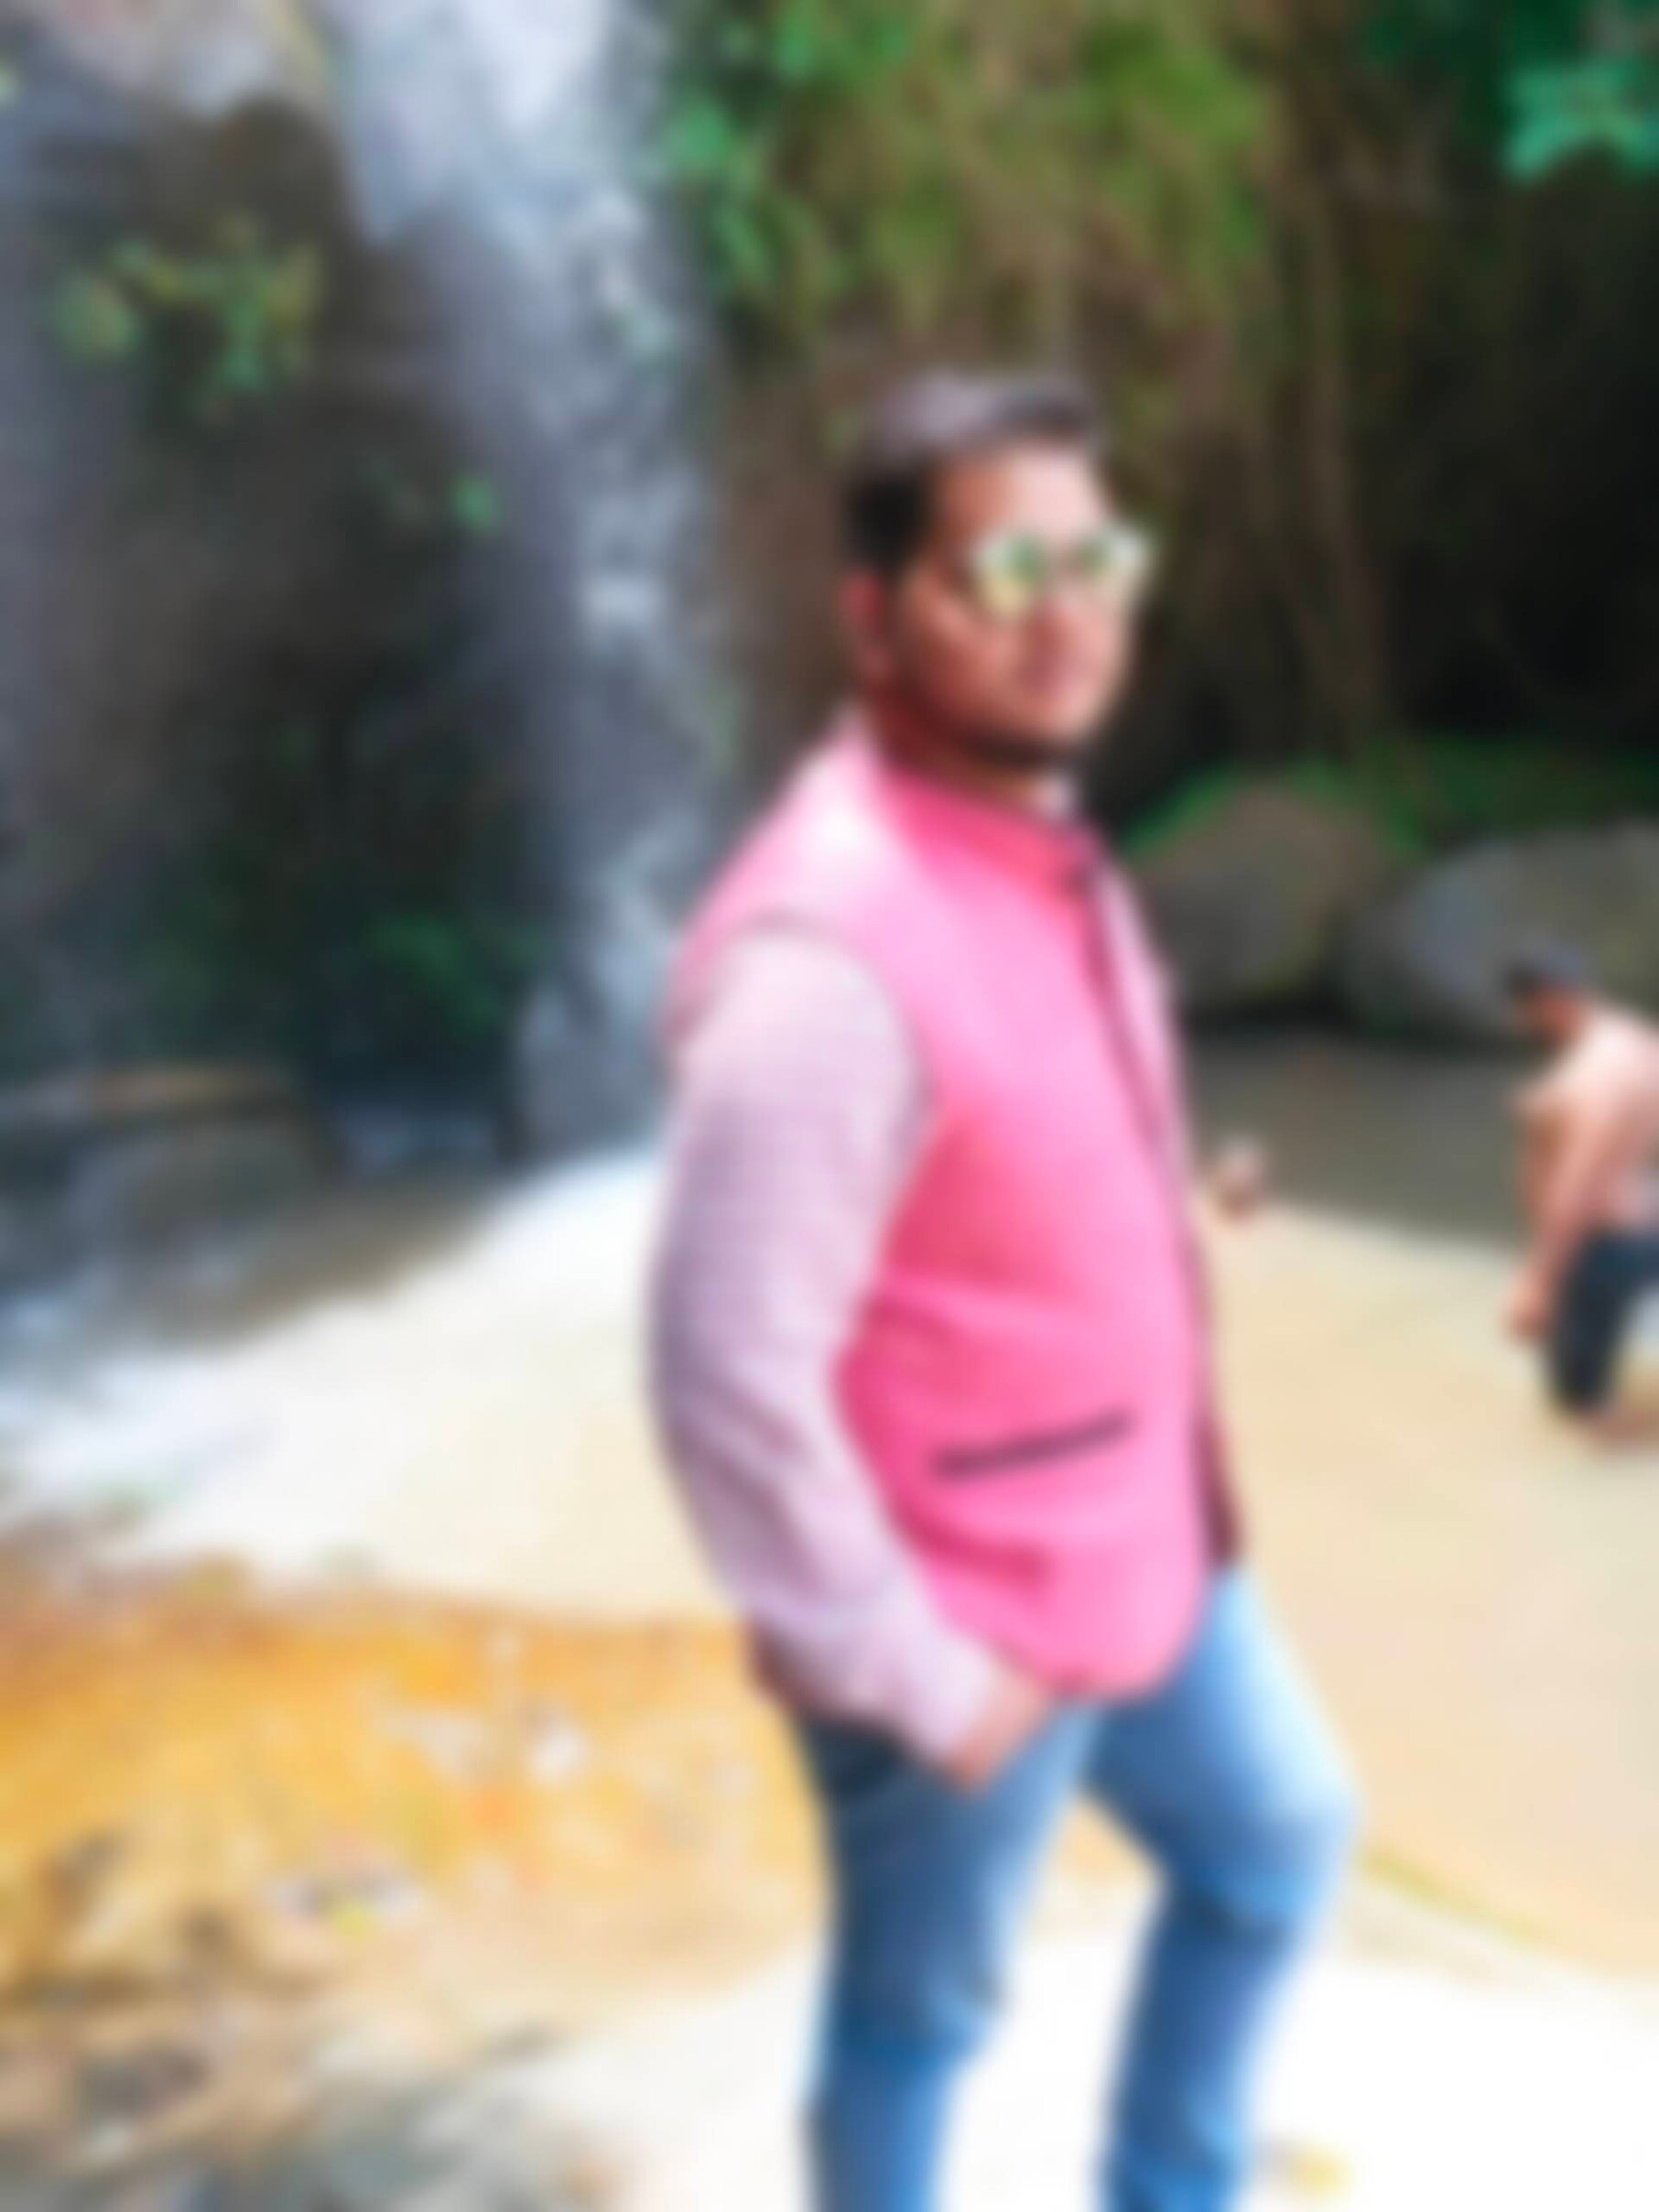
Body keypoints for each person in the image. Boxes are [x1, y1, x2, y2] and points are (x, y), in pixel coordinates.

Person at [646, 369, 1357, 2212]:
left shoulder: (1034, 839)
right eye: (1001, 574)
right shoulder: (825, 957)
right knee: (919, 2020)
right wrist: (915, 1675)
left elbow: (996, 1147)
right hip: (962, 1621)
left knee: (1279, 1840)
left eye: (1095, 559)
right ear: (875, 616)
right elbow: (724, 1370)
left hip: (1142, 1545)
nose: (1070, 614)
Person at [1503, 942, 1659, 1438]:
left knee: (1580, 1411)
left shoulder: (1593, 1075)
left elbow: (1578, 1186)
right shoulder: (1639, 1043)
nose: (1522, 1025)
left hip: (1600, 1247)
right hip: (1644, 1225)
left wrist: (1538, 1281)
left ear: (1547, 1001)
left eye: (1524, 1012)